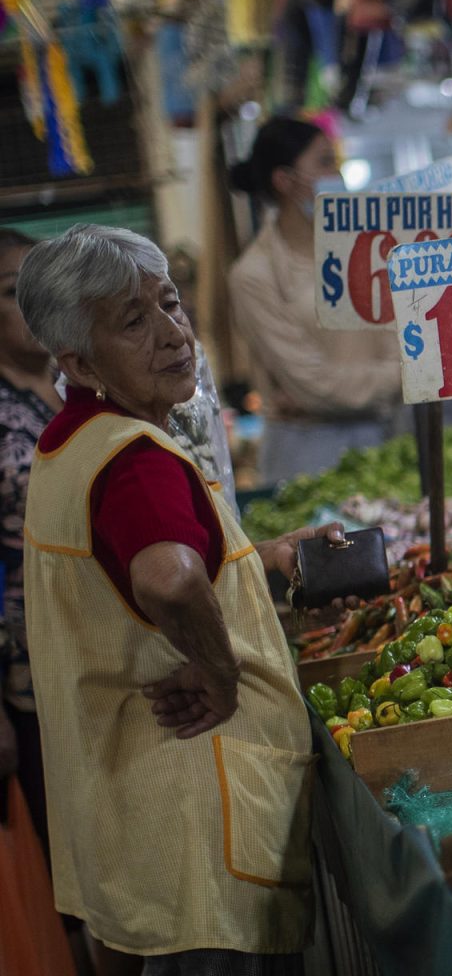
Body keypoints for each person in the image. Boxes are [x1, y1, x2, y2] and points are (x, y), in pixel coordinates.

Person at [16, 225, 345, 973]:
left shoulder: (69, 443)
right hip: (197, 816)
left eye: (170, 305)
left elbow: (124, 578)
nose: (171, 335)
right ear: (76, 360)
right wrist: (221, 672)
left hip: (132, 811)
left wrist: (254, 560)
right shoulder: (135, 461)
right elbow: (167, 579)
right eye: (132, 322)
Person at [228, 115, 400, 485]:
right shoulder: (254, 275)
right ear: (285, 181)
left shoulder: (368, 250)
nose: (336, 173)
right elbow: (313, 383)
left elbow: (400, 335)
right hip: (307, 461)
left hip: (385, 445)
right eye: (324, 162)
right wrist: (409, 376)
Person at [0, 228, 59, 852]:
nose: (32, 303)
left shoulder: (84, 383)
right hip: (34, 678)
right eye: (14, 291)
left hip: (119, 660)